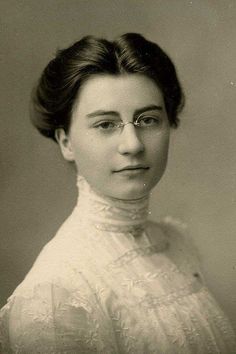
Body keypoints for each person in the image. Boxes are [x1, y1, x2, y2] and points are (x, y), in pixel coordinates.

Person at [0, 33, 235, 354]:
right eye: (106, 124)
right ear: (66, 142)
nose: (133, 144)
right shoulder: (55, 292)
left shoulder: (176, 243)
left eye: (148, 120)